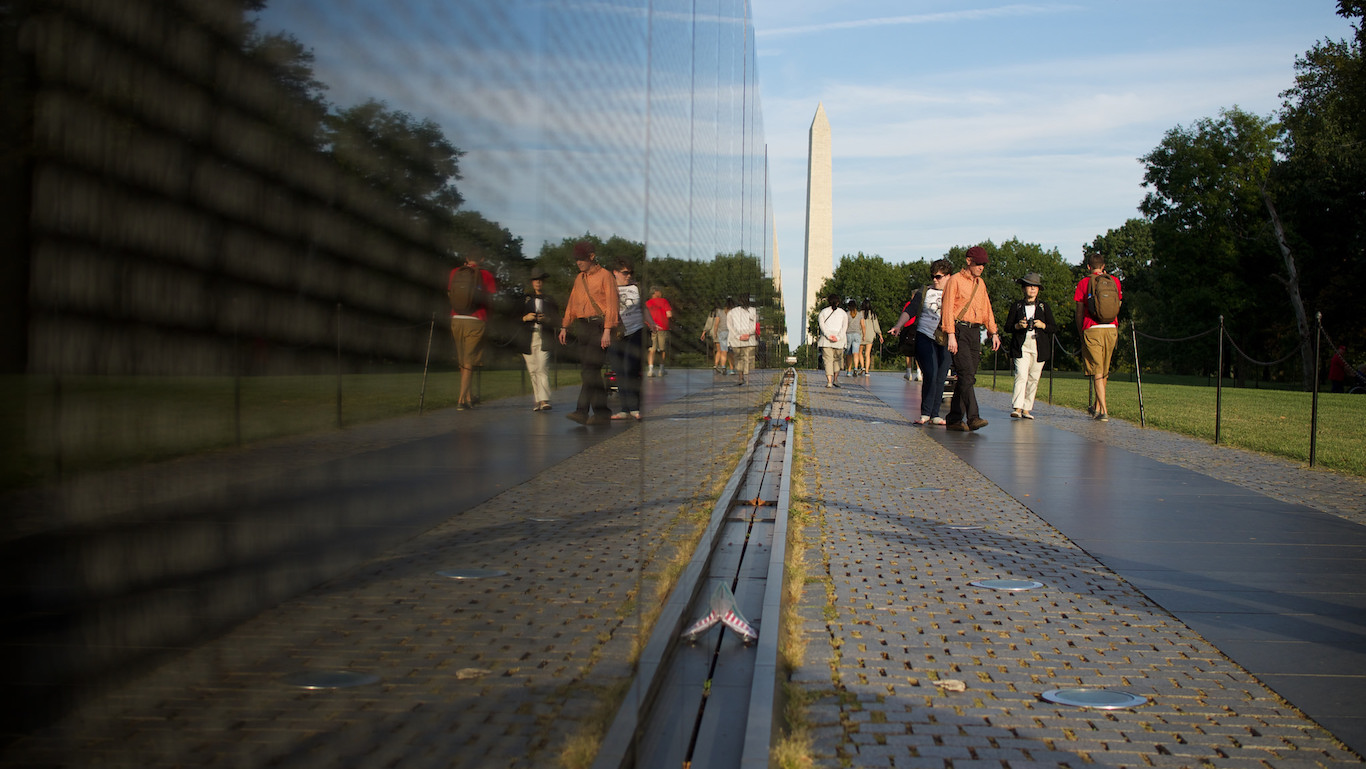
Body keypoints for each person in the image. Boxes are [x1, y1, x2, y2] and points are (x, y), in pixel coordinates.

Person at [558, 241, 619, 425]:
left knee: (590, 370)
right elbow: (572, 303)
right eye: (576, 259)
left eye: (582, 259)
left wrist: (608, 330)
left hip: (599, 326)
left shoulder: (605, 276)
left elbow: (612, 304)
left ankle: (581, 411)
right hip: (583, 326)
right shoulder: (579, 279)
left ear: (591, 256)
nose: (578, 262)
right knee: (590, 372)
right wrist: (565, 326)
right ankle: (602, 412)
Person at [888, 259, 953, 425]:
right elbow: (910, 310)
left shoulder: (954, 293)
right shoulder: (925, 291)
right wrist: (898, 326)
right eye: (932, 276)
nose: (934, 280)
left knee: (940, 376)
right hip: (925, 335)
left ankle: (935, 413)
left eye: (938, 277)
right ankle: (925, 413)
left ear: (948, 276)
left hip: (945, 337)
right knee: (930, 373)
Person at [942, 246, 1000, 431]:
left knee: (968, 376)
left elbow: (987, 308)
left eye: (983, 264)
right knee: (966, 374)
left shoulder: (980, 284)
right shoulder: (955, 281)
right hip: (959, 330)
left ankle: (953, 418)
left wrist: (993, 331)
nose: (981, 267)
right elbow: (947, 308)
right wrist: (950, 335)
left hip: (975, 332)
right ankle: (973, 417)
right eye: (978, 263)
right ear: (969, 261)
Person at [1074, 252, 1123, 421]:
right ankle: (1096, 406)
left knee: (1096, 370)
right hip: (1111, 327)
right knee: (1104, 370)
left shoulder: (1083, 283)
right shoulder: (1114, 281)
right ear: (1103, 267)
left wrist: (1080, 330)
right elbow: (1119, 304)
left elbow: (1079, 311)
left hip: (1092, 328)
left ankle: (1103, 410)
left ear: (1088, 267)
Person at [447, 251, 497, 411]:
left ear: (466, 258)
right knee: (469, 361)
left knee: (462, 360)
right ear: (482, 258)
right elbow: (489, 300)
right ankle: (461, 399)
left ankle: (468, 397)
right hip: (476, 319)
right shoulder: (486, 275)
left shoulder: (455, 272)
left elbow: (450, 294)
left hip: (456, 318)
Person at [1004, 272, 1057, 420]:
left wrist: (1043, 325)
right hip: (1021, 345)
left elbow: (1054, 327)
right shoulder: (1017, 306)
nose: (1032, 289)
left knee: (1034, 377)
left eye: (1035, 286)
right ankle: (1017, 407)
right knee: (1021, 375)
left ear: (1039, 289)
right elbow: (1007, 327)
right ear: (1023, 289)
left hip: (1038, 346)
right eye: (1029, 286)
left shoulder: (1044, 306)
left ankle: (1027, 408)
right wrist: (1018, 325)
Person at [609, 259, 648, 420]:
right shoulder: (609, 288)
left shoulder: (636, 287)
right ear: (615, 272)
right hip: (615, 333)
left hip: (635, 331)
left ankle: (635, 407)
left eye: (630, 272)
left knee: (631, 368)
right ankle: (624, 409)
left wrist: (651, 322)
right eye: (625, 272)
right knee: (620, 371)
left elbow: (644, 307)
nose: (628, 275)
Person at [519, 269, 560, 412]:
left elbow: (557, 320)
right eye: (535, 280)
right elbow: (513, 319)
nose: (538, 282)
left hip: (544, 338)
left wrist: (547, 319)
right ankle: (537, 400)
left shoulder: (550, 300)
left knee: (542, 367)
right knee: (532, 370)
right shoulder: (524, 300)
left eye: (540, 280)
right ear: (532, 282)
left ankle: (544, 400)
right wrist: (525, 318)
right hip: (528, 338)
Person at [816, 293, 849, 388]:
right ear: (838, 302)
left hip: (826, 340)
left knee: (828, 360)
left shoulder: (823, 312)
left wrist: (828, 335)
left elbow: (822, 326)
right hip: (839, 340)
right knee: (838, 360)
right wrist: (838, 337)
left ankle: (829, 381)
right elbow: (844, 327)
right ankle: (836, 379)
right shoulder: (843, 313)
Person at [726, 294, 758, 385]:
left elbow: (730, 326)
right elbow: (754, 325)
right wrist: (747, 334)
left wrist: (738, 336)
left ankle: (741, 377)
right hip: (749, 339)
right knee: (748, 359)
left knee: (739, 359)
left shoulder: (731, 312)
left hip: (737, 340)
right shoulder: (753, 311)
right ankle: (747, 378)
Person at [645, 286, 673, 377]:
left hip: (650, 328)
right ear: (656, 292)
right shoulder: (664, 301)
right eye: (659, 291)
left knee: (651, 349)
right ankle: (661, 370)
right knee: (662, 349)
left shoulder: (647, 303)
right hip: (662, 327)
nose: (661, 293)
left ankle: (650, 370)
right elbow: (669, 314)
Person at [858, 299, 881, 375]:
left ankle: (862, 366)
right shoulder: (873, 314)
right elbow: (876, 326)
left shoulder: (859, 314)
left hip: (861, 334)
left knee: (860, 352)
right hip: (870, 335)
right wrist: (880, 335)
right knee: (868, 354)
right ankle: (867, 371)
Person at [843, 300, 861, 376]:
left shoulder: (846, 314)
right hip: (857, 334)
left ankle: (849, 371)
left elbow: (844, 325)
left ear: (849, 307)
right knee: (856, 353)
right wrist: (864, 334)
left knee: (848, 353)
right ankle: (856, 368)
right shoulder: (860, 315)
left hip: (848, 334)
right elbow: (863, 325)